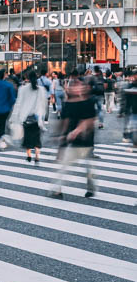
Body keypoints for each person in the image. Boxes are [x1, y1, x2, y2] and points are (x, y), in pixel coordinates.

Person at [50, 71, 97, 199]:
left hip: (85, 138)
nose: (76, 88)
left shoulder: (88, 102)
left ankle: (91, 185)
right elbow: (64, 121)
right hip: (72, 139)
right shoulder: (68, 104)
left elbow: (89, 121)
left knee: (88, 165)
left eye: (78, 85)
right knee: (64, 165)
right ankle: (57, 190)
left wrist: (76, 131)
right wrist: (60, 137)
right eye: (73, 85)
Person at [11, 71, 46, 164]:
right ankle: (37, 156)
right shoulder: (41, 89)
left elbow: (18, 104)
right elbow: (43, 104)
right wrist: (43, 118)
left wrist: (14, 117)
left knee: (28, 138)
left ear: (28, 78)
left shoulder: (23, 89)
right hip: (37, 117)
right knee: (37, 138)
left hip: (26, 117)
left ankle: (29, 156)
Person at [0, 69, 16, 143]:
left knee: (0, 125)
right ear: (4, 76)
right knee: (4, 124)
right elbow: (12, 98)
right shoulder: (9, 85)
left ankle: (1, 138)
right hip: (6, 109)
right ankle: (4, 138)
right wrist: (10, 105)